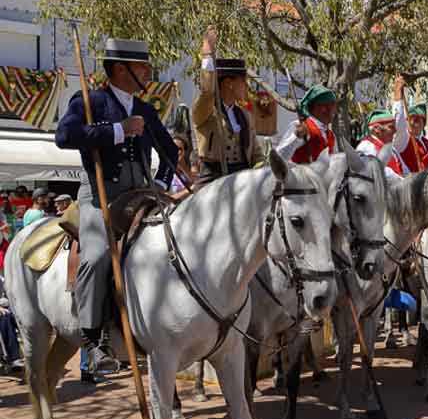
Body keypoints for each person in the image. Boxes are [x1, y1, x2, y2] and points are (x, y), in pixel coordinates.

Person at [55, 37, 177, 373]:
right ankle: (94, 341)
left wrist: (164, 183)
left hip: (142, 193)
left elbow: (172, 151)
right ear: (122, 69)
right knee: (95, 257)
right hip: (99, 195)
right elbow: (64, 136)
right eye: (142, 66)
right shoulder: (90, 101)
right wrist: (116, 131)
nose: (148, 71)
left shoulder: (146, 109)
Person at [192, 27, 263, 185]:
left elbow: (257, 155)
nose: (247, 86)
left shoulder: (245, 116)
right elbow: (207, 91)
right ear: (228, 83)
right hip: (213, 180)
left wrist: (263, 169)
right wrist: (207, 55)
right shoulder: (206, 112)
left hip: (243, 181)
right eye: (243, 81)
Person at [276, 84, 338, 165]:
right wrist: (295, 137)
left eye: (332, 105)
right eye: (325, 105)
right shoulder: (299, 126)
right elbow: (279, 158)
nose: (330, 109)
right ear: (313, 107)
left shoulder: (331, 136)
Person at [387, 76, 428, 179]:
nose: (411, 123)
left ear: (423, 124)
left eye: (416, 120)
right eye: (409, 119)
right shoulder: (404, 139)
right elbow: (398, 124)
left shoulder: (426, 143)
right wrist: (398, 96)